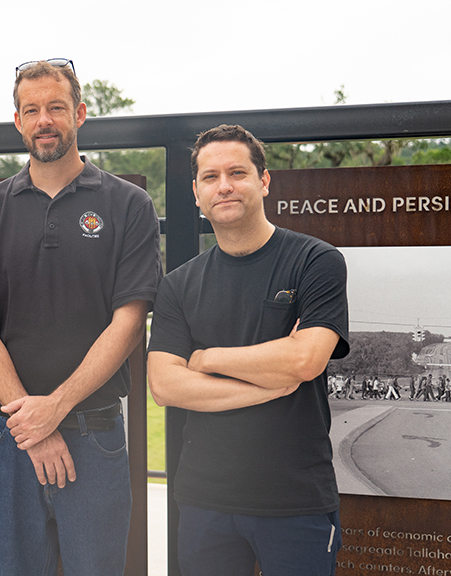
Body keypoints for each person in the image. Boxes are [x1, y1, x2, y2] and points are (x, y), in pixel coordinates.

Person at [0, 59, 162, 575]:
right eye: (32, 109)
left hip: (94, 433)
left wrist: (57, 408)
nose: (44, 119)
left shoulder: (129, 205)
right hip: (10, 438)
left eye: (56, 107)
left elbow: (129, 322)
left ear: (80, 113)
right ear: (17, 121)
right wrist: (33, 424)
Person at [148, 124, 350, 576]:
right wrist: (274, 385)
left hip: (296, 500)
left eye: (237, 172)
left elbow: (305, 359)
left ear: (263, 180)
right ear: (196, 192)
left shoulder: (315, 261)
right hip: (203, 501)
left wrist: (207, 359)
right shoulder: (178, 285)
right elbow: (164, 385)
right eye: (210, 177)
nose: (224, 186)